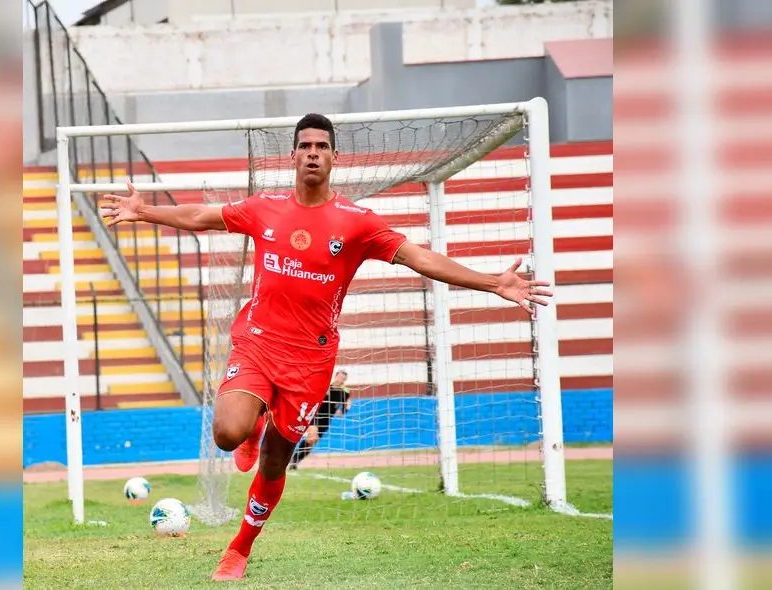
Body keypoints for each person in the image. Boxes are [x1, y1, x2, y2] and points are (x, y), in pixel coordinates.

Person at [99, 113, 553, 582]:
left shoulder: (356, 222)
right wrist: (145, 211)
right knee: (227, 433)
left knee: (278, 461)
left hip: (310, 363)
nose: (313, 152)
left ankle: (239, 549)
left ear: (335, 157)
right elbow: (200, 217)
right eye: (305, 145)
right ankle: (253, 426)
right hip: (257, 344)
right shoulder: (264, 207)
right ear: (293, 155)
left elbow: (419, 257)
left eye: (321, 146)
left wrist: (491, 281)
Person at [288, 370, 351, 470]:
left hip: (326, 420)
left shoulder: (345, 392)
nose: (341, 379)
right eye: (339, 377)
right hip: (316, 416)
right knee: (311, 436)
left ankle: (296, 460)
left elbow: (347, 404)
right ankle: (294, 458)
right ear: (335, 376)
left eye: (343, 378)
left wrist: (342, 411)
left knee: (312, 441)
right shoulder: (326, 387)